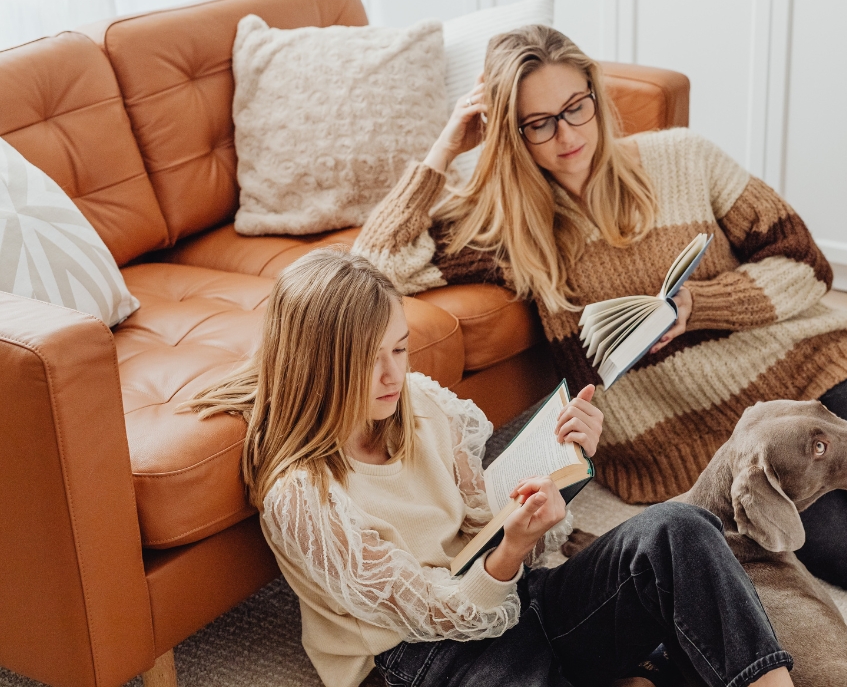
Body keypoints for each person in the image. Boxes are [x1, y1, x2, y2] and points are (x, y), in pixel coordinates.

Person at [352, 24, 847, 591]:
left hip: (801, 374)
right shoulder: (509, 231)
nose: (566, 134)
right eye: (538, 123)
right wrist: (446, 145)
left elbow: (806, 263)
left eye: (576, 107)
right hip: (696, 430)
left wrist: (700, 306)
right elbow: (373, 266)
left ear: (596, 96)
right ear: (510, 131)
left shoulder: (683, 158)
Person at [183, 248, 795, 687]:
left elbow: (491, 526)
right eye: (369, 362)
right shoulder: (302, 499)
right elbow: (438, 612)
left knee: (678, 530)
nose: (394, 375)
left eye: (398, 348)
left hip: (511, 598)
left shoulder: (416, 405)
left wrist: (562, 471)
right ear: (321, 365)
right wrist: (510, 551)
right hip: (424, 658)